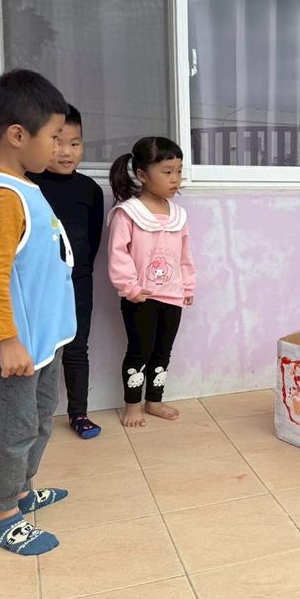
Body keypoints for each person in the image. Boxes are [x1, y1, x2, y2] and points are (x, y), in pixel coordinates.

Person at [0, 69, 75, 555]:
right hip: (20, 345)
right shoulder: (4, 196)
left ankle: (21, 490)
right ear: (17, 135)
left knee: (38, 419)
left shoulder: (25, 186)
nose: (59, 147)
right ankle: (2, 513)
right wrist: (7, 339)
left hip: (44, 338)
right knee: (13, 428)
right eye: (53, 136)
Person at [107, 136, 196, 428]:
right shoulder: (128, 213)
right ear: (142, 175)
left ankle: (154, 401)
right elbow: (118, 254)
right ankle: (133, 405)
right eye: (167, 172)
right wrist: (129, 288)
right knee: (139, 351)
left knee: (163, 352)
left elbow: (184, 255)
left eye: (179, 171)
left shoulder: (178, 215)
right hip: (141, 297)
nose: (175, 179)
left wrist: (187, 286)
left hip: (172, 297)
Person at [28, 104, 105, 439]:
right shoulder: (29, 185)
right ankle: (31, 414)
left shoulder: (90, 190)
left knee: (77, 346)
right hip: (39, 283)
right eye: (57, 142)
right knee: (39, 347)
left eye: (75, 143)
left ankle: (79, 413)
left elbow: (93, 239)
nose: (66, 152)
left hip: (78, 281)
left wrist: (79, 274)